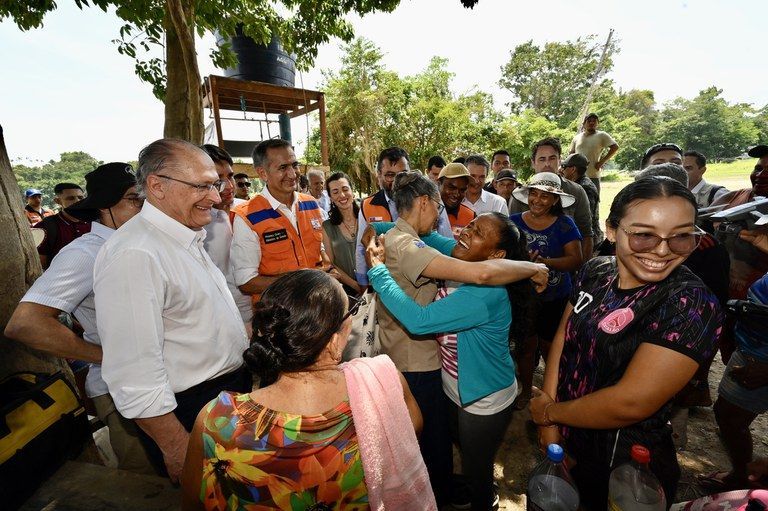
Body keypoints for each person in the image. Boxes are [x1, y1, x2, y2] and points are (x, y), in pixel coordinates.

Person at [530, 177, 721, 510]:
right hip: (565, 434)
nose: (663, 250)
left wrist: (548, 413)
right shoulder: (595, 271)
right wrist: (551, 421)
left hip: (625, 463)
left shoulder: (689, 304)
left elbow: (630, 403)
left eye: (681, 236)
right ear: (611, 229)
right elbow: (564, 336)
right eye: (644, 234)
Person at [363, 171, 548, 506]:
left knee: (477, 470)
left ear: (495, 256)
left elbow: (419, 322)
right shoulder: (461, 253)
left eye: (478, 234)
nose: (466, 233)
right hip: (455, 385)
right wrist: (374, 232)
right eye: (472, 225)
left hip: (483, 398)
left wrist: (377, 270)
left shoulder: (483, 293)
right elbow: (407, 232)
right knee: (459, 447)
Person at [180, 269, 434, 510]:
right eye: (351, 311)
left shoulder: (216, 422)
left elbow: (194, 503)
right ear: (335, 339)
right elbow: (409, 434)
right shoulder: (383, 383)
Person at [94, 139, 251, 482]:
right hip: (188, 413)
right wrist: (178, 447)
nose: (215, 195)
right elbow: (133, 374)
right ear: (157, 186)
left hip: (224, 398)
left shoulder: (184, 235)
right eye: (202, 186)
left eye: (215, 184)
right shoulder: (136, 253)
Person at [5, 163, 154, 474]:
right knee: (149, 481)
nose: (144, 206)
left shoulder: (141, 243)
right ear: (104, 206)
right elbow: (26, 323)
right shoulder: (87, 253)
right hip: (122, 391)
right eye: (133, 199)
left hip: (163, 381)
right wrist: (107, 356)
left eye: (144, 198)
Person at [696, 227, 768, 492]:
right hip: (753, 346)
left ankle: (746, 480)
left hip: (762, 359)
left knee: (731, 418)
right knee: (728, 416)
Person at [510, 172, 583, 408]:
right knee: (526, 346)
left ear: (555, 200)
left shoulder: (565, 224)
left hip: (556, 297)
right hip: (524, 297)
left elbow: (575, 260)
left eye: (545, 196)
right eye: (534, 193)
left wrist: (544, 263)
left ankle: (551, 392)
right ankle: (526, 390)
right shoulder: (513, 222)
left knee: (552, 346)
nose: (538, 200)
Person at [231, 139, 325, 303]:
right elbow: (246, 282)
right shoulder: (247, 216)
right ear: (262, 173)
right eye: (282, 168)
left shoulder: (311, 204)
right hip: (279, 318)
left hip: (318, 306)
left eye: (294, 165)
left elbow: (321, 253)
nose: (292, 173)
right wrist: (299, 282)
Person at [354, 147, 453, 285]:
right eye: (390, 175)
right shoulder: (367, 205)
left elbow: (446, 238)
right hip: (385, 282)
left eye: (402, 174)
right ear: (379, 175)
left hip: (425, 277)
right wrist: (363, 283)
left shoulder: (430, 201)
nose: (397, 181)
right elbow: (361, 249)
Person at [711, 144, 768, 363]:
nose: (761, 175)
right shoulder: (737, 197)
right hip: (725, 296)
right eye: (758, 168)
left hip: (759, 310)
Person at [509, 137, 594, 261]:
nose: (547, 164)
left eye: (552, 158)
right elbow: (512, 236)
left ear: (560, 161)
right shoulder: (520, 195)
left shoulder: (577, 191)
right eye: (542, 159)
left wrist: (584, 273)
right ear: (533, 163)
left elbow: (586, 233)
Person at [199, 144, 253, 327]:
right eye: (218, 180)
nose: (229, 186)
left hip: (262, 307)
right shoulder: (197, 224)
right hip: (223, 318)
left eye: (230, 176)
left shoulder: (249, 210)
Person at [323, 172, 363, 294]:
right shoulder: (327, 227)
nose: (342, 195)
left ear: (352, 191)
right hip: (347, 291)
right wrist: (356, 286)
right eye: (335, 192)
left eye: (345, 189)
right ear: (330, 198)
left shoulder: (366, 218)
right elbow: (331, 263)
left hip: (376, 285)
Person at [34, 182, 90, 269]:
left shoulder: (94, 222)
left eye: (80, 197)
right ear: (58, 201)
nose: (77, 201)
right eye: (70, 198)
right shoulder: (45, 227)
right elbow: (40, 264)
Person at [568, 113, 619, 195]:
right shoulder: (577, 138)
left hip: (593, 176)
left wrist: (601, 162)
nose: (592, 123)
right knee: (577, 202)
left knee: (593, 203)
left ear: (597, 124)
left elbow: (615, 147)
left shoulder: (602, 135)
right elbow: (571, 154)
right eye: (589, 121)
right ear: (584, 124)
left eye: (594, 121)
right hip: (577, 177)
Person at [560, 153, 602, 246]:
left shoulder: (584, 188)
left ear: (573, 169)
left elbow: (586, 220)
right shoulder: (577, 184)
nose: (561, 169)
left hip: (586, 240)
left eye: (564, 166)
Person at [438, 162, 475, 239]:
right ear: (439, 184)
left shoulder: (471, 217)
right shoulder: (424, 212)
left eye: (462, 190)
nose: (456, 194)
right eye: (451, 188)